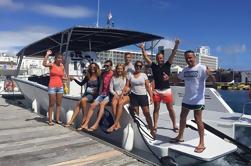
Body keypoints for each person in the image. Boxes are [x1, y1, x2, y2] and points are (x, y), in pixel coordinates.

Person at [172, 50, 215, 153]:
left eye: (190, 57)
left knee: (198, 119)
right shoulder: (185, 70)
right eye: (186, 58)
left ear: (194, 57)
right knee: (182, 117)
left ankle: (202, 143)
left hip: (198, 100)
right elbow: (178, 80)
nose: (188, 60)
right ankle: (180, 136)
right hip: (187, 99)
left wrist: (211, 75)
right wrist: (168, 78)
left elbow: (213, 81)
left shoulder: (202, 68)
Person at [139, 40, 180, 133]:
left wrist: (176, 45)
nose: (160, 59)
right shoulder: (154, 66)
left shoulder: (168, 65)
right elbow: (145, 57)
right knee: (156, 109)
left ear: (163, 58)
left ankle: (174, 125)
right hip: (157, 91)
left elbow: (173, 53)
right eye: (158, 58)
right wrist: (142, 48)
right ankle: (155, 126)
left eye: (161, 58)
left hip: (166, 90)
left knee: (170, 109)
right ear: (156, 59)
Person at [65, 63, 101, 129]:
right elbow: (81, 84)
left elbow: (100, 87)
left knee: (83, 100)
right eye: (91, 67)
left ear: (97, 68)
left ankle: (84, 119)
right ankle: (71, 121)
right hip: (87, 94)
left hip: (94, 95)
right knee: (79, 103)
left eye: (94, 67)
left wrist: (98, 95)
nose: (92, 68)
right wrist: (74, 79)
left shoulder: (99, 76)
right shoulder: (88, 76)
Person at [80, 60, 113, 131]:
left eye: (108, 66)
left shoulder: (113, 74)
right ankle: (85, 124)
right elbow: (95, 73)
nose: (106, 67)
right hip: (102, 94)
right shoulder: (103, 74)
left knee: (101, 104)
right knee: (92, 105)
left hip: (109, 95)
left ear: (111, 66)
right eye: (105, 66)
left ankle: (96, 125)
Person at [127, 61, 155, 138]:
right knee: (136, 115)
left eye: (140, 66)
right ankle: (138, 129)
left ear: (141, 67)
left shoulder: (144, 75)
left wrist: (151, 97)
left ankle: (152, 129)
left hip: (143, 96)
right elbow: (127, 86)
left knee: (147, 113)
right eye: (137, 65)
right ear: (134, 66)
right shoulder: (130, 76)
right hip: (134, 96)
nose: (138, 67)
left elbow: (148, 87)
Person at [43, 50, 67, 126]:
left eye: (61, 58)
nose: (60, 59)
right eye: (58, 58)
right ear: (55, 58)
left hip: (60, 87)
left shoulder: (62, 66)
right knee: (51, 104)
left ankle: (57, 119)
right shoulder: (52, 65)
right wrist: (47, 54)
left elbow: (63, 76)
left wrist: (67, 79)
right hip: (52, 87)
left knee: (59, 104)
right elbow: (44, 64)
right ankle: (50, 120)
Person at [107, 64, 128, 132]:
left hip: (124, 94)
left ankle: (114, 124)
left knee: (120, 103)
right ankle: (118, 123)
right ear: (116, 69)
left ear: (123, 69)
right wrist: (115, 94)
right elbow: (111, 89)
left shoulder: (126, 77)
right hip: (116, 94)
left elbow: (127, 87)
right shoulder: (113, 78)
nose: (119, 70)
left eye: (121, 69)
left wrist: (123, 93)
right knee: (113, 103)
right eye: (118, 68)